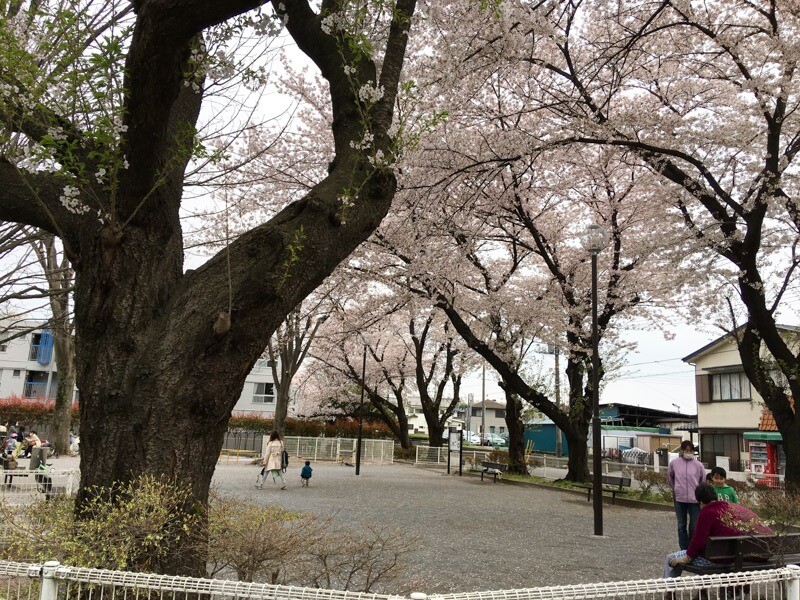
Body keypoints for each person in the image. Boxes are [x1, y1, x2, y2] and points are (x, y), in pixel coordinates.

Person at [663, 484, 771, 577]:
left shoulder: (707, 512)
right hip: (737, 557)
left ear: (700, 502)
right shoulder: (730, 507)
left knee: (670, 558)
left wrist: (687, 557)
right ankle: (701, 593)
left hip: (715, 561)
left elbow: (698, 542)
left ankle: (669, 592)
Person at [667, 440, 705, 550]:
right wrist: (676, 489)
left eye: (690, 450)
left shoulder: (698, 465)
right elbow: (670, 478)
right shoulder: (674, 463)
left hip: (695, 499)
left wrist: (699, 494)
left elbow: (702, 480)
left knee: (694, 525)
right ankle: (684, 548)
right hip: (679, 498)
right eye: (686, 450)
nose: (688, 452)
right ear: (681, 451)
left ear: (693, 451)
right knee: (681, 525)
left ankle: (693, 548)